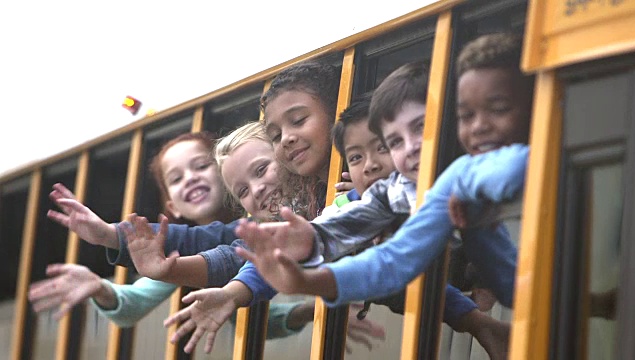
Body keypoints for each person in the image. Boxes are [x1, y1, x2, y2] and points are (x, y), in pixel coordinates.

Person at [236, 33, 530, 310]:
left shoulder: (463, 178)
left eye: (421, 128)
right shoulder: (419, 188)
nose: (412, 147)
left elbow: (514, 167)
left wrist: (470, 191)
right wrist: (311, 250)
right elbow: (389, 261)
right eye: (394, 142)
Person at [27, 132, 319, 342]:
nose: (190, 178)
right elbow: (250, 316)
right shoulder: (181, 257)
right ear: (172, 207)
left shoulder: (265, 221)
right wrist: (100, 287)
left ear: (226, 172)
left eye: (202, 166)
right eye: (176, 179)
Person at [125, 121, 384, 354]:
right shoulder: (271, 226)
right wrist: (232, 293)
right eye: (243, 190)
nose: (258, 189)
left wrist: (362, 191)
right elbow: (247, 257)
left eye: (261, 170)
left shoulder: (338, 194)